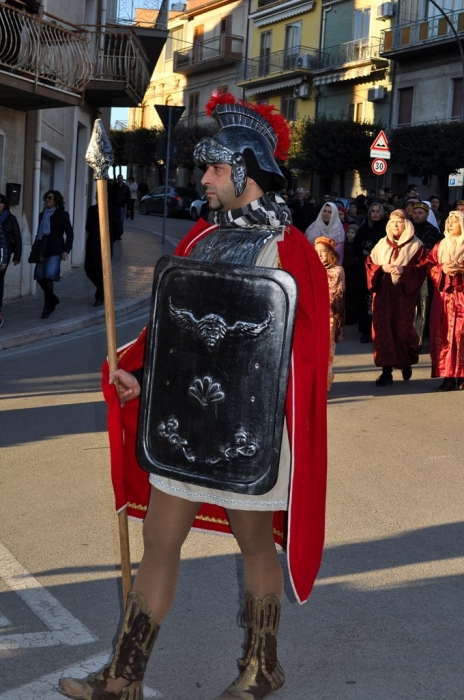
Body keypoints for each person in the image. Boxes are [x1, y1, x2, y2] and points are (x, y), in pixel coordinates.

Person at [60, 93, 329, 700]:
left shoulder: (289, 251)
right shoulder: (200, 242)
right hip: (185, 425)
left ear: (244, 171)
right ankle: (123, 677)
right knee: (159, 541)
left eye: (212, 168)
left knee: (255, 541)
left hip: (249, 431)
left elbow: (308, 356)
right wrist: (138, 375)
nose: (202, 179)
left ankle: (262, 667)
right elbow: (167, 335)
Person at [366, 209, 427, 386]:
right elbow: (370, 263)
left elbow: (423, 268)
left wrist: (404, 270)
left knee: (402, 330)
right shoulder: (381, 244)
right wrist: (381, 268)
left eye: (399, 222)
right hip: (383, 293)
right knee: (382, 330)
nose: (395, 226)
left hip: (403, 294)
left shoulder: (416, 246)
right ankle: (386, 371)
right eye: (392, 222)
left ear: (406, 224)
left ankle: (406, 362)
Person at [427, 210, 464, 391]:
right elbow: (429, 266)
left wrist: (461, 271)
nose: (450, 224)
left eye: (455, 221)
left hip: (462, 296)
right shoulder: (440, 245)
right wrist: (443, 269)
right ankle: (448, 376)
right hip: (443, 297)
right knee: (444, 336)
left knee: (461, 335)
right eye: (449, 221)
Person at [33, 190, 73, 319]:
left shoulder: (62, 215)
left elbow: (70, 234)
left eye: (50, 198)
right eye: (46, 198)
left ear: (56, 200)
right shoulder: (42, 215)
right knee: (39, 277)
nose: (47, 200)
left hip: (55, 250)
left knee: (49, 276)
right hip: (42, 249)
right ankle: (53, 299)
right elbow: (39, 232)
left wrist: (66, 250)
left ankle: (47, 306)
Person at [353, 202, 388, 342]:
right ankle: (365, 331)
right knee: (363, 300)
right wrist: (365, 253)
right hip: (364, 270)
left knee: (376, 301)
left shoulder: (386, 229)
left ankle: (377, 330)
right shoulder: (363, 229)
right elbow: (356, 246)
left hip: (380, 271)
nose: (375, 213)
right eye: (372, 211)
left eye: (377, 211)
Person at [411, 202, 443, 352]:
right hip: (408, 272)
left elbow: (431, 253)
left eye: (420, 213)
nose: (417, 215)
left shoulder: (433, 232)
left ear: (426, 215)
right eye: (415, 212)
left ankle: (419, 340)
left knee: (423, 306)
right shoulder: (408, 229)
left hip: (424, 274)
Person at [314, 236, 344, 390]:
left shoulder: (337, 270)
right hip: (312, 315)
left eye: (323, 251)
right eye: (317, 251)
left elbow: (334, 295)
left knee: (325, 349)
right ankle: (313, 381)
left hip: (328, 315)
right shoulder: (311, 269)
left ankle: (324, 382)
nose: (319, 255)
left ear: (331, 253)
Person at [84, 196, 122, 306]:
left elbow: (119, 229)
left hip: (105, 246)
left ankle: (99, 296)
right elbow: (88, 226)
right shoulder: (92, 210)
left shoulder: (112, 210)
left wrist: (109, 239)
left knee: (102, 271)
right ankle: (104, 289)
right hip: (92, 244)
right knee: (89, 269)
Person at [0, 193, 22, 327]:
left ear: (5, 205)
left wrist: (17, 256)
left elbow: (17, 237)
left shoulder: (10, 218)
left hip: (4, 253)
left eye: (0, 203)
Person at [343, 223, 359, 325]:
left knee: (353, 295)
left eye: (352, 233)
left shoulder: (356, 245)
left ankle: (353, 317)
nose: (350, 234)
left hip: (353, 273)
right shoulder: (344, 244)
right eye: (348, 232)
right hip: (346, 272)